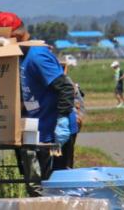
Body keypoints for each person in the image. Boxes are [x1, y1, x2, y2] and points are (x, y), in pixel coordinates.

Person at [19, 33, 76, 183]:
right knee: (43, 182)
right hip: (39, 129)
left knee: (59, 182)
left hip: (55, 131)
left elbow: (66, 88)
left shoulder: (37, 56)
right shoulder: (18, 58)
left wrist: (62, 120)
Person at [53, 56, 84, 171]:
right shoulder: (66, 81)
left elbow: (79, 104)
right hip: (61, 127)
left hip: (65, 126)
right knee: (60, 159)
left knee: (62, 159)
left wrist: (78, 117)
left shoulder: (66, 83)